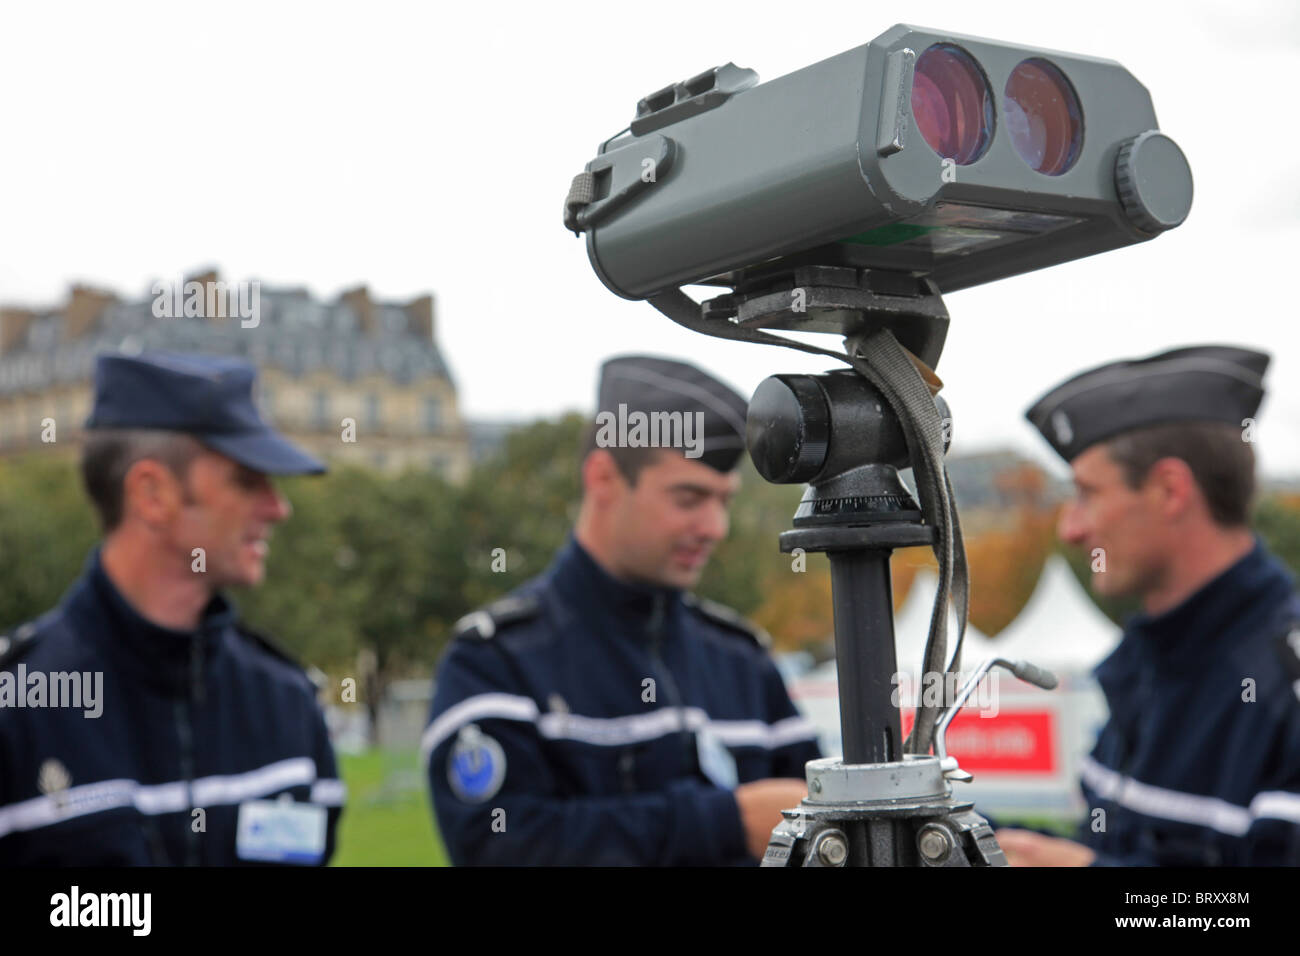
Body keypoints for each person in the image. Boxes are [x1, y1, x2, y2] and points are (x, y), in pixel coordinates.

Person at [423, 355, 821, 865]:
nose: (714, 527)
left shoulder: (741, 660)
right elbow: (500, 844)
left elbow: (829, 818)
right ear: (604, 478)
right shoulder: (495, 662)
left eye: (724, 500)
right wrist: (727, 820)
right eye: (689, 497)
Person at [0, 351, 345, 865]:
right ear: (152, 493)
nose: (278, 508)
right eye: (247, 481)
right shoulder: (18, 709)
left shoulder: (288, 704)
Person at [996, 344, 1300, 866]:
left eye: (1087, 494)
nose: (1071, 529)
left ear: (1168, 490)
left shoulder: (1282, 685)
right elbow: (1102, 849)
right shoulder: (1145, 662)